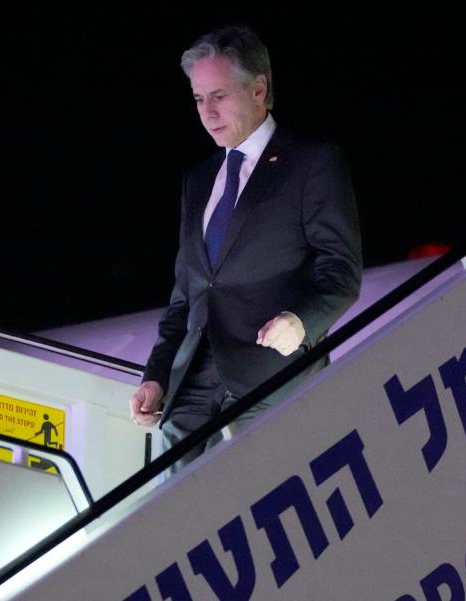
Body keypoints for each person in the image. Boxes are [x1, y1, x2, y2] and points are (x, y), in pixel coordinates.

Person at [129, 25, 362, 471]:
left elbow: (342, 270)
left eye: (219, 95)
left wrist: (301, 322)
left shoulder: (311, 161)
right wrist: (157, 376)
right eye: (198, 99)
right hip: (192, 382)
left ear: (259, 89)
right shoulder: (197, 181)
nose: (207, 112)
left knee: (230, 499)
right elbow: (187, 295)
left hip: (269, 375)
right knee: (169, 512)